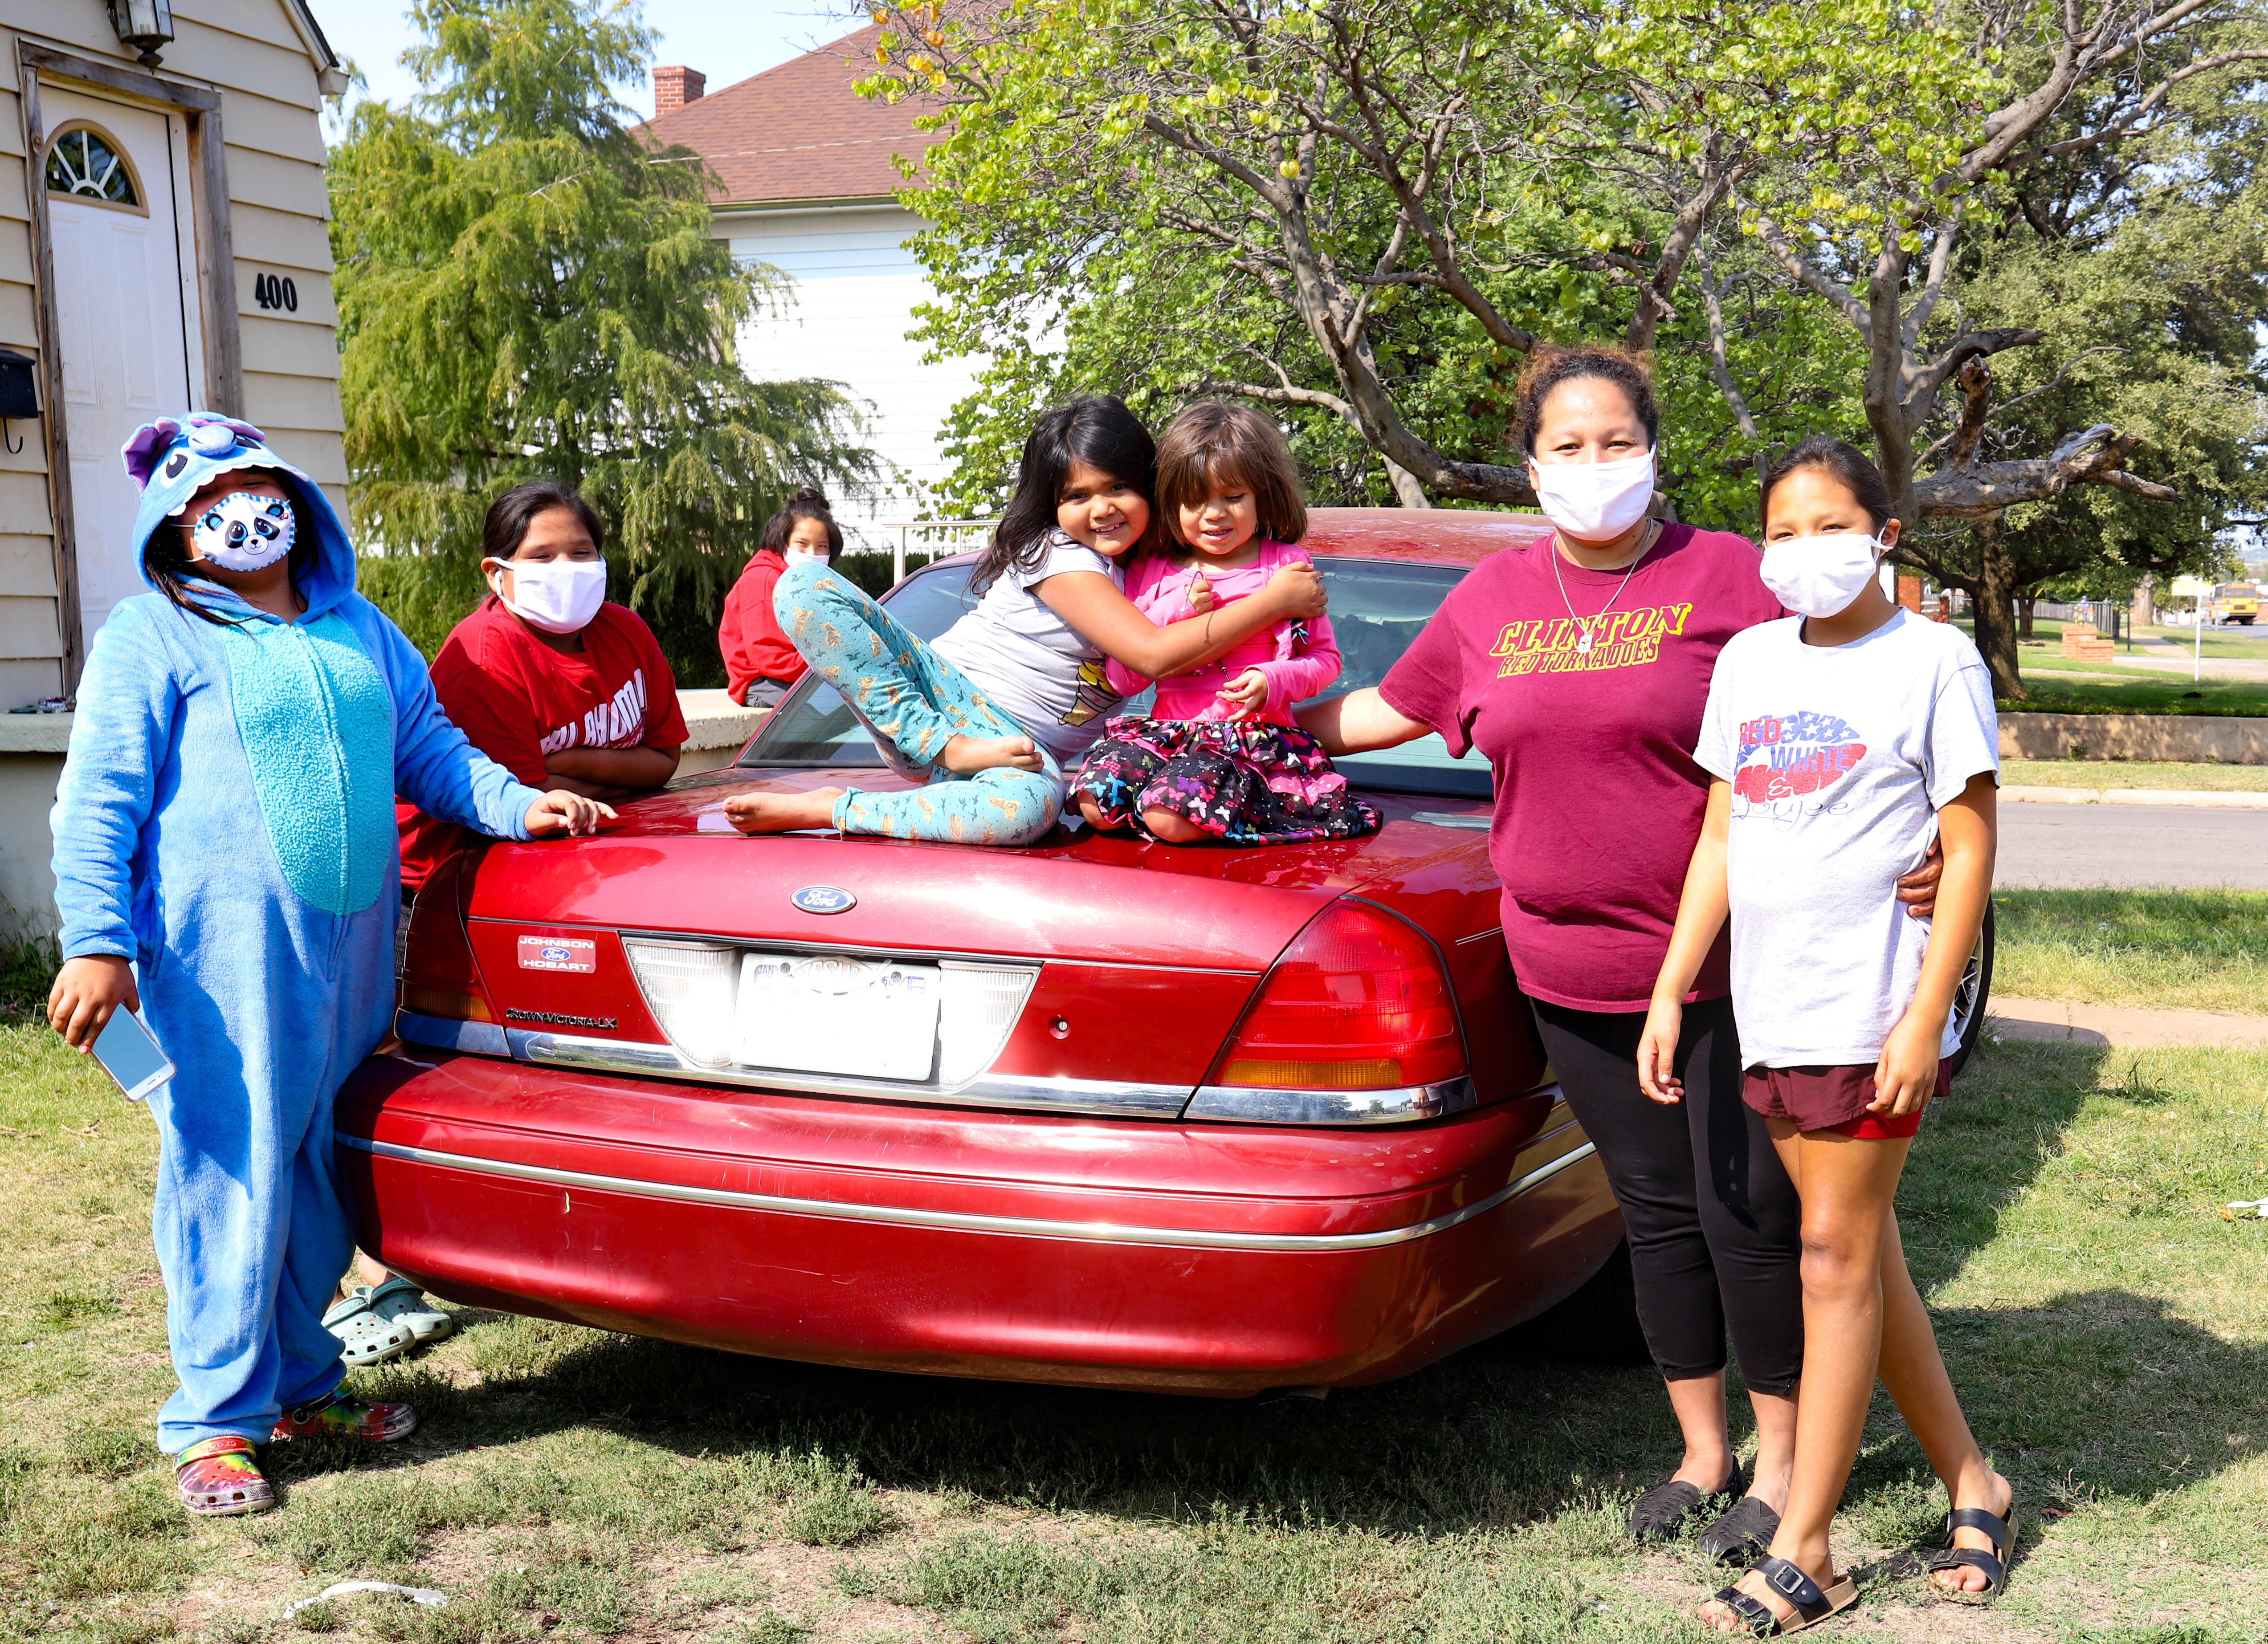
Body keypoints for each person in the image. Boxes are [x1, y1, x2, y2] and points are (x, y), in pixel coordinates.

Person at [1299, 347, 1939, 1561]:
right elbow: (1381, 713)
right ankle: (1701, 1452)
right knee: (1650, 1213)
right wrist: (1221, 698)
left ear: (1652, 450)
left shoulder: (1729, 579)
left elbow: (1871, 695)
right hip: (1567, 969)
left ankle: (1787, 1462)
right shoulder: (1492, 597)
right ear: (1530, 464)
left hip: (1739, 963)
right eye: (1565, 447)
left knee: (1745, 1210)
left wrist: (1935, 847)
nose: (1592, 467)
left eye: (1614, 443)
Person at [47, 414, 610, 1519]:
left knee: (323, 1160)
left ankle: (302, 1383)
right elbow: (97, 799)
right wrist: (97, 940)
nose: (245, 512)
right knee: (232, 1162)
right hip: (219, 956)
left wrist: (516, 800)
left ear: (303, 507)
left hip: (351, 945)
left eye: (265, 489)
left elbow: (433, 751)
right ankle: (215, 1418)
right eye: (215, 498)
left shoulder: (360, 626)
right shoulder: (151, 635)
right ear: (176, 523)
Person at [1640, 439, 2009, 1632]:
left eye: (1831, 523)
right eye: (1783, 529)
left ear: (1885, 533)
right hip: (1773, 1000)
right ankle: (1973, 1480)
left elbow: (1966, 848)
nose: (1806, 548)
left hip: (1873, 1002)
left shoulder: (1934, 659)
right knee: (1858, 1253)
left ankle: (1809, 1544)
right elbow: (1719, 838)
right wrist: (1670, 982)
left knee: (1830, 1257)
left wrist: (1922, 1013)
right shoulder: (1748, 659)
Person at [722, 396, 1329, 845]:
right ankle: (946, 748)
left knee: (1029, 814)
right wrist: (1273, 601)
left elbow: (1230, 675)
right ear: (1052, 506)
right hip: (940, 697)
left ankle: (837, 809)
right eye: (1077, 496)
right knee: (804, 584)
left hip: (1020, 755)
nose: (1102, 509)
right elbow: (1151, 655)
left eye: (1118, 486)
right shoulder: (1058, 555)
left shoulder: (1160, 575)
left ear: (1152, 485)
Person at [1073, 402, 1375, 845]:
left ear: (1263, 495)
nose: (1214, 514)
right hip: (1165, 739)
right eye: (1195, 501)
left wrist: (1272, 679)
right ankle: (1169, 804)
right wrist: (1176, 609)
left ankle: (1249, 803)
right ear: (1170, 502)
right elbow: (1121, 676)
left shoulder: (1285, 567)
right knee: (1095, 801)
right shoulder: (1153, 570)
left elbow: (1324, 659)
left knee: (1169, 817)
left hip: (1249, 742)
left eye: (1233, 497)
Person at [396, 480, 686, 899]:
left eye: (581, 552)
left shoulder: (628, 632)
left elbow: (665, 759)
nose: (565, 568)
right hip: (451, 878)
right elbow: (532, 804)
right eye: (542, 556)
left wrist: (571, 762)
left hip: (584, 856)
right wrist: (622, 776)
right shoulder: (482, 659)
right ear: (497, 573)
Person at [719, 486, 841, 708]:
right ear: (783, 541)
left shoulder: (813, 581)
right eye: (802, 545)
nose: (812, 555)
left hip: (800, 674)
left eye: (822, 546)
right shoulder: (764, 579)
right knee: (827, 720)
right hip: (762, 682)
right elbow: (768, 658)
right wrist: (830, 662)